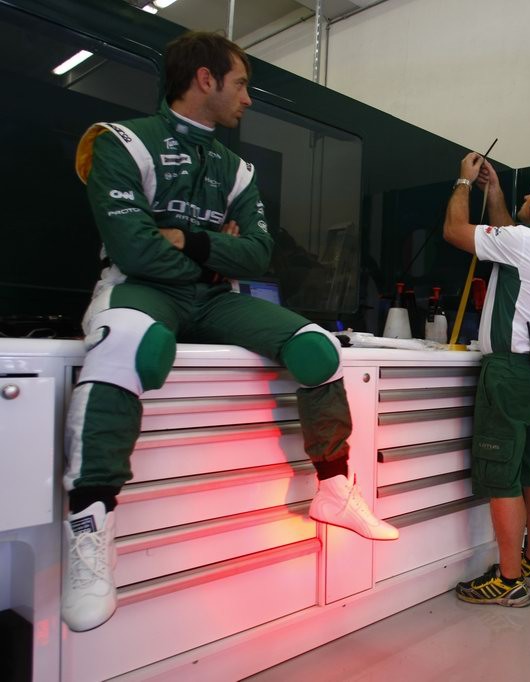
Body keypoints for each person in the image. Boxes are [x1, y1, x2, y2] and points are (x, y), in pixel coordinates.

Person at [62, 31, 397, 633]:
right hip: (139, 289)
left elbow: (260, 254)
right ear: (205, 79)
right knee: (128, 347)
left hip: (213, 299)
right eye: (241, 83)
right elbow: (132, 250)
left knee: (318, 348)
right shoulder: (121, 143)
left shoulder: (235, 168)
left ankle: (333, 487)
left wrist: (188, 241)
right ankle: (88, 529)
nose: (248, 98)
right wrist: (219, 251)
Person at [443, 153, 530, 607]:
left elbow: (454, 232)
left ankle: (507, 580)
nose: (527, 197)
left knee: (501, 474)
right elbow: (512, 238)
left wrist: (464, 184)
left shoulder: (524, 242)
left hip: (507, 373)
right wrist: (498, 194)